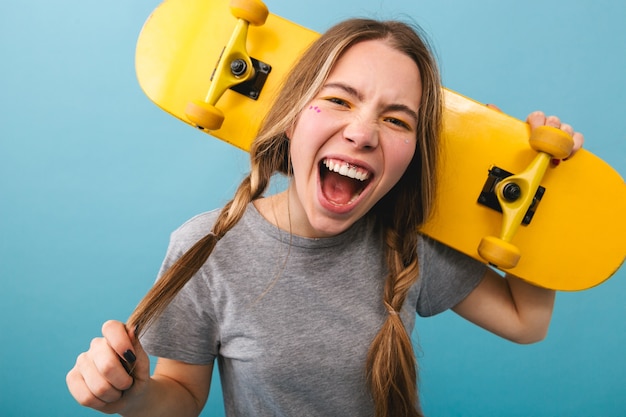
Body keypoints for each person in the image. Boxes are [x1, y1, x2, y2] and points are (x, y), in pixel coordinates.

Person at [66, 18, 584, 417]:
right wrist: (130, 398)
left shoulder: (410, 244)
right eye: (339, 100)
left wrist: (544, 197)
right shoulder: (208, 247)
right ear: (291, 119)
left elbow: (527, 321)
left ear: (411, 157)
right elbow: (181, 391)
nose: (363, 133)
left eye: (395, 119)